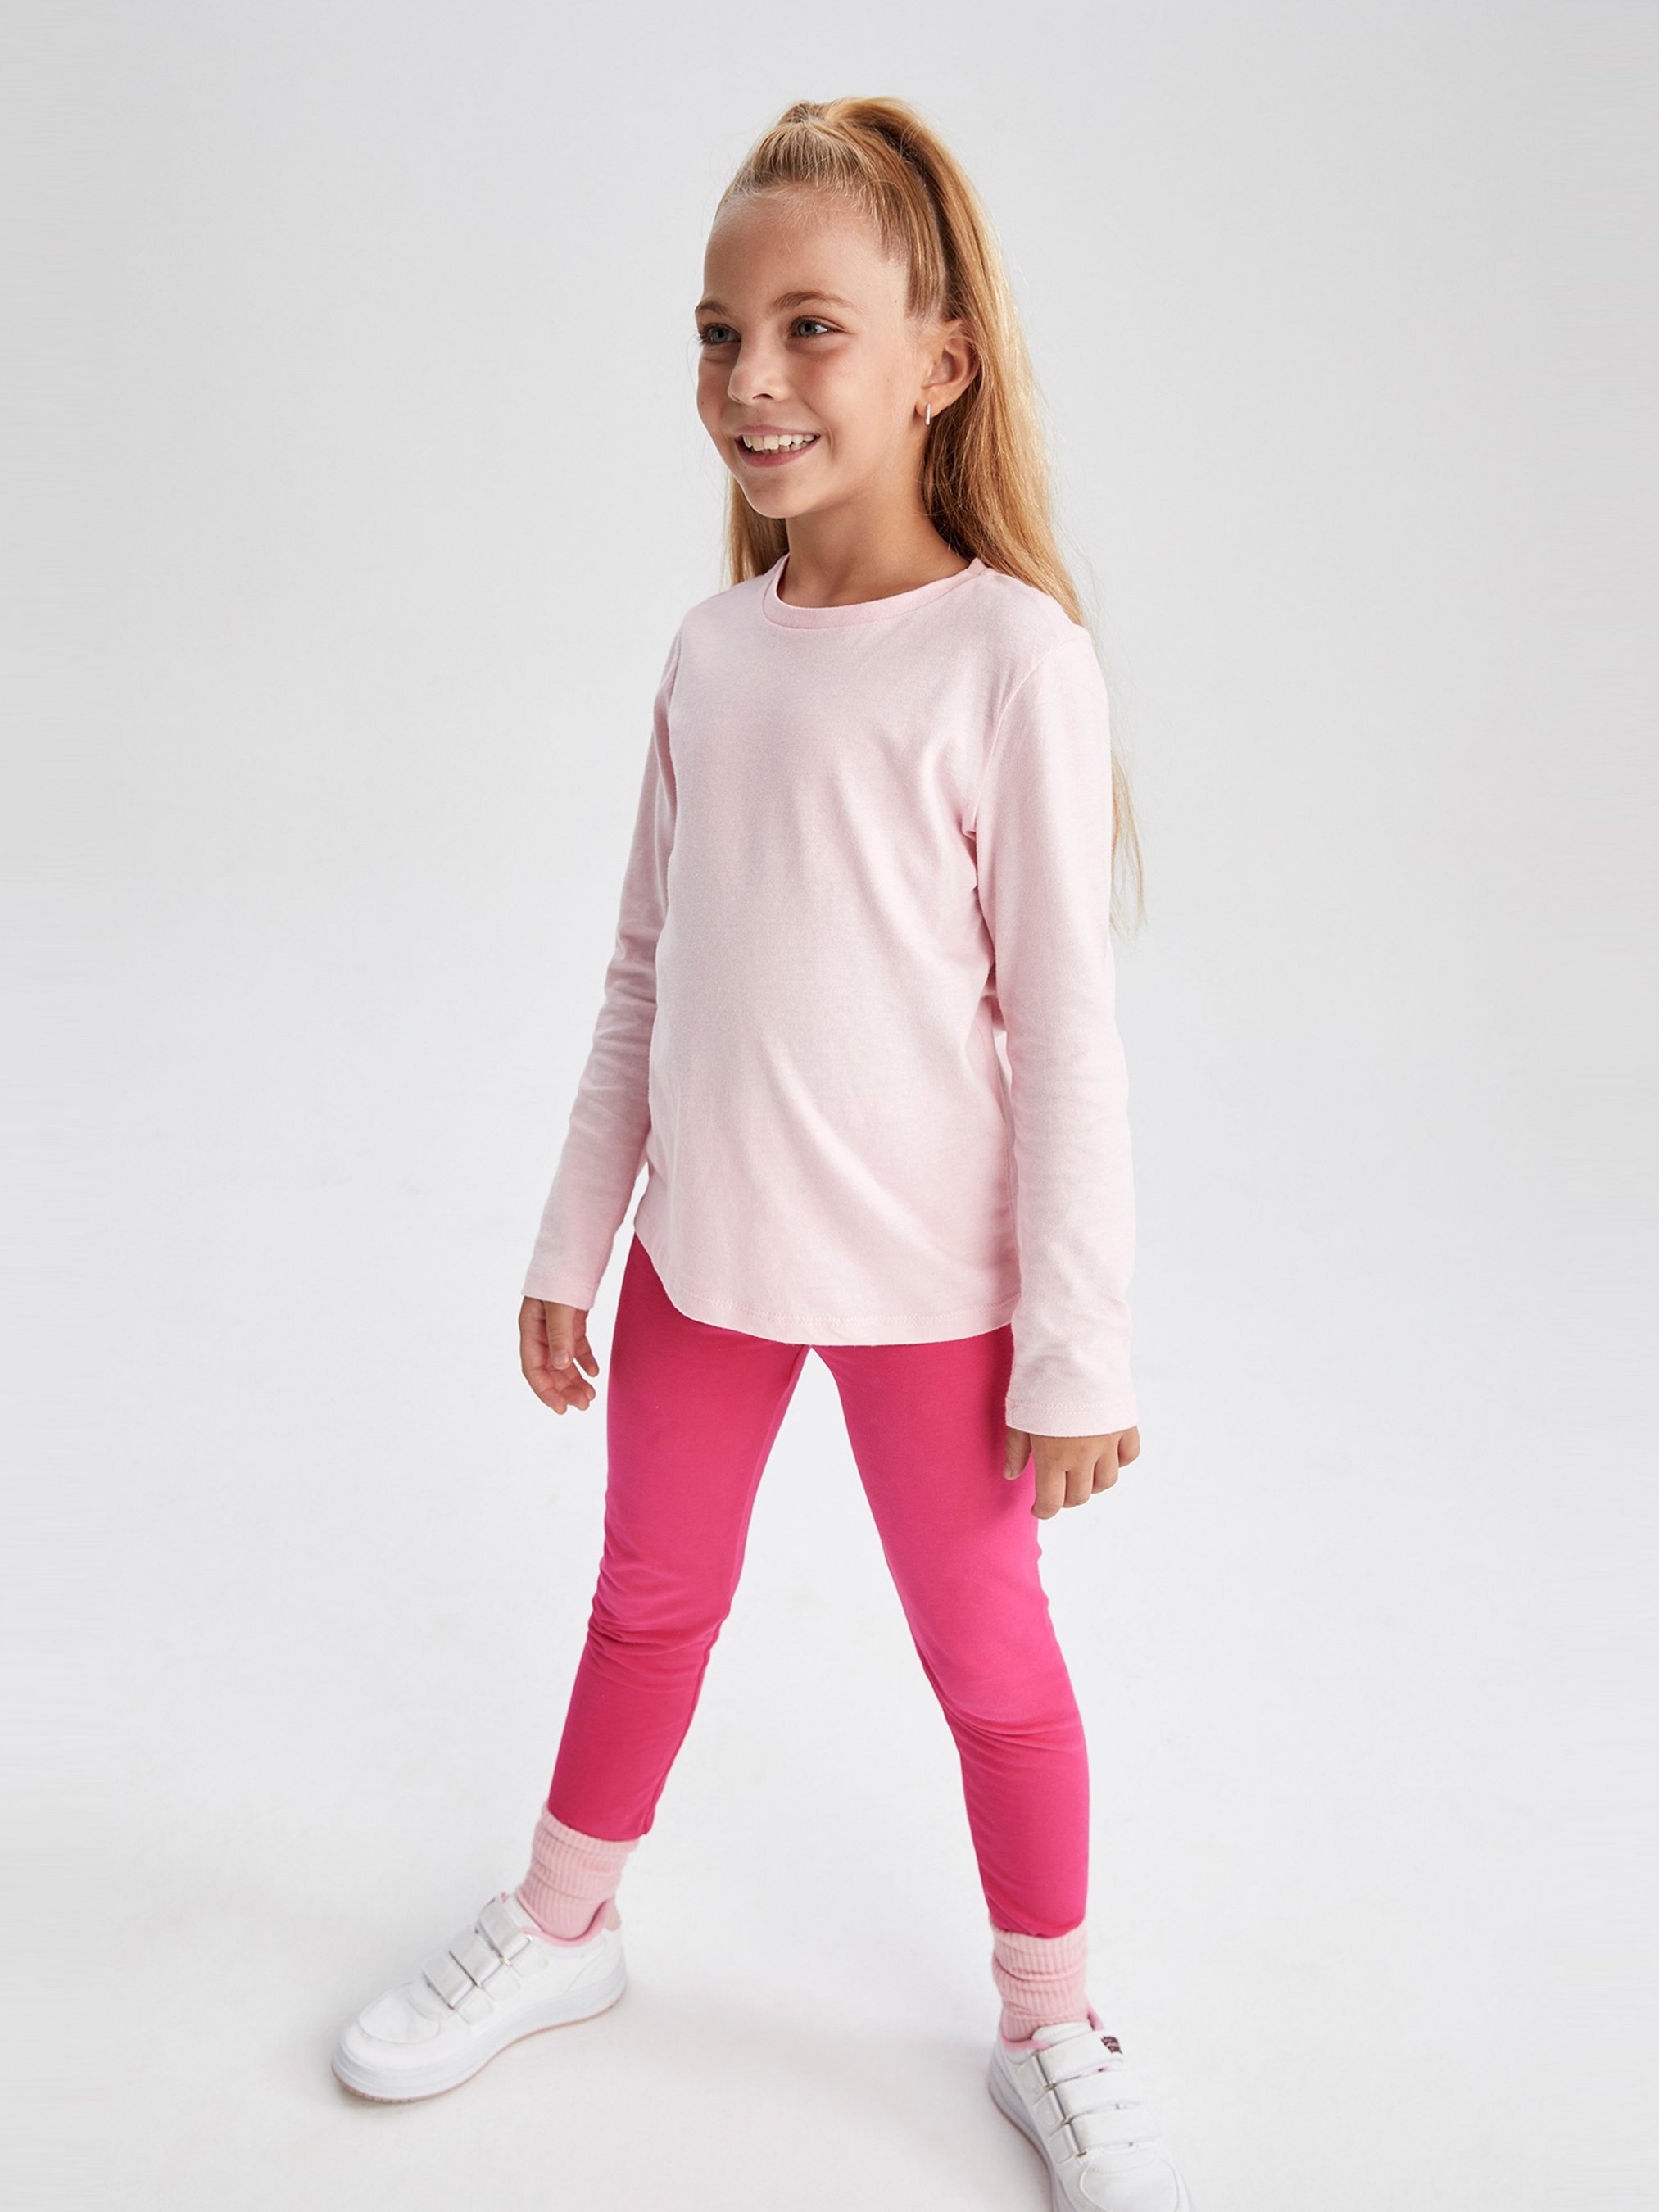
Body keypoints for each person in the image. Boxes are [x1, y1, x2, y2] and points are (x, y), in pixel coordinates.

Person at [330, 93, 1194, 2212]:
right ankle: (564, 1920)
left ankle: (1052, 2016)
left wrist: (1075, 1347)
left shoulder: (1012, 657)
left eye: (812, 327)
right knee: (647, 1600)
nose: (751, 378)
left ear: (939, 361)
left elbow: (1068, 1037)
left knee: (991, 1666)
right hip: (701, 1261)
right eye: (720, 332)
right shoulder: (711, 653)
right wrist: (573, 1235)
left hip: (937, 1295)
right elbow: (644, 973)